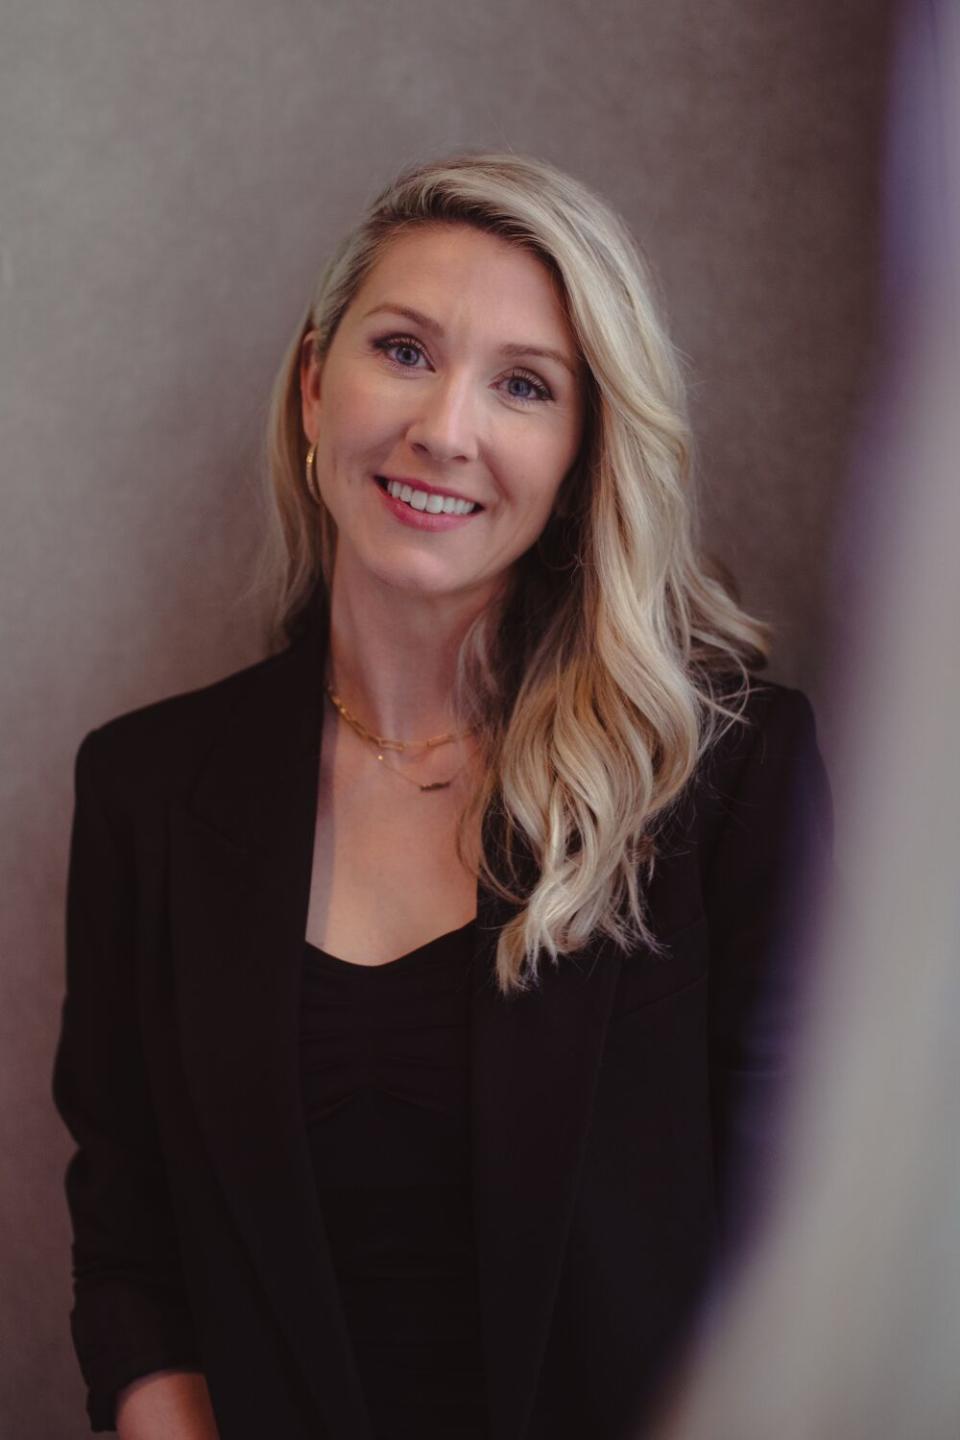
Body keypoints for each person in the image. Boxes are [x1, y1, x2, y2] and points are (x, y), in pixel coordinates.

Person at [52, 151, 834, 1440]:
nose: (444, 427)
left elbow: (811, 1247)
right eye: (404, 352)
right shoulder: (144, 791)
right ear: (315, 384)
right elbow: (131, 1241)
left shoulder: (726, 778)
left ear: (584, 451)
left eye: (524, 385)